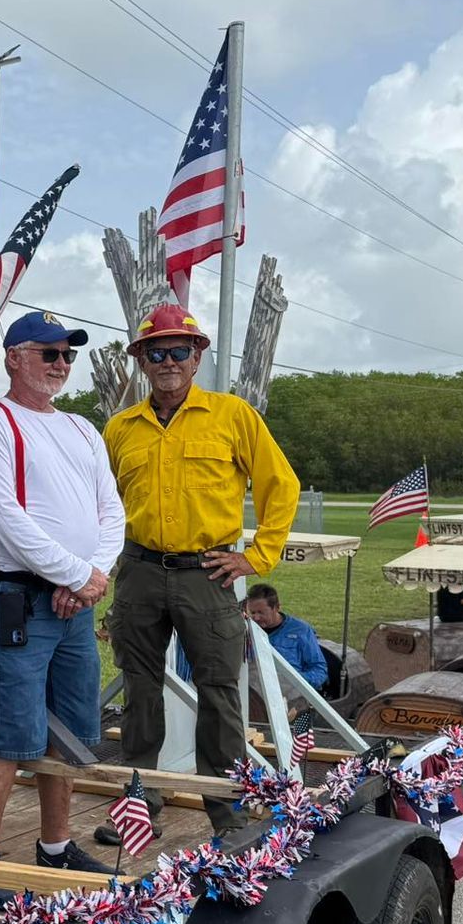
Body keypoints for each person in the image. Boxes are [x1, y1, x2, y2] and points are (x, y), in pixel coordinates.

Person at [99, 303, 299, 836]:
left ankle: (227, 813)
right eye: (155, 351)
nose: (168, 360)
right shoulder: (120, 429)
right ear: (140, 360)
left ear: (197, 356)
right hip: (139, 570)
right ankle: (140, 809)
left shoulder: (232, 415)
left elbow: (282, 485)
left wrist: (255, 557)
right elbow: (97, 503)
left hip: (207, 573)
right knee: (139, 690)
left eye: (178, 350)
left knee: (219, 691)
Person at [0, 312, 124, 909]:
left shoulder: (83, 428)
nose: (60, 364)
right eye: (48, 353)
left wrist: (86, 580)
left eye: (67, 355)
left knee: (71, 731)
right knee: (10, 732)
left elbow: (112, 511)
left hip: (74, 601)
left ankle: (55, 845)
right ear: (14, 358)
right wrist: (76, 574)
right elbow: (4, 515)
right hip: (21, 599)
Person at [246, 584, 330, 692]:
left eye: (261, 613)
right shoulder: (245, 630)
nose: (256, 618)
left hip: (292, 695)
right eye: (252, 613)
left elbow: (319, 670)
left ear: (276, 607)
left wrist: (295, 682)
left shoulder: (301, 630)